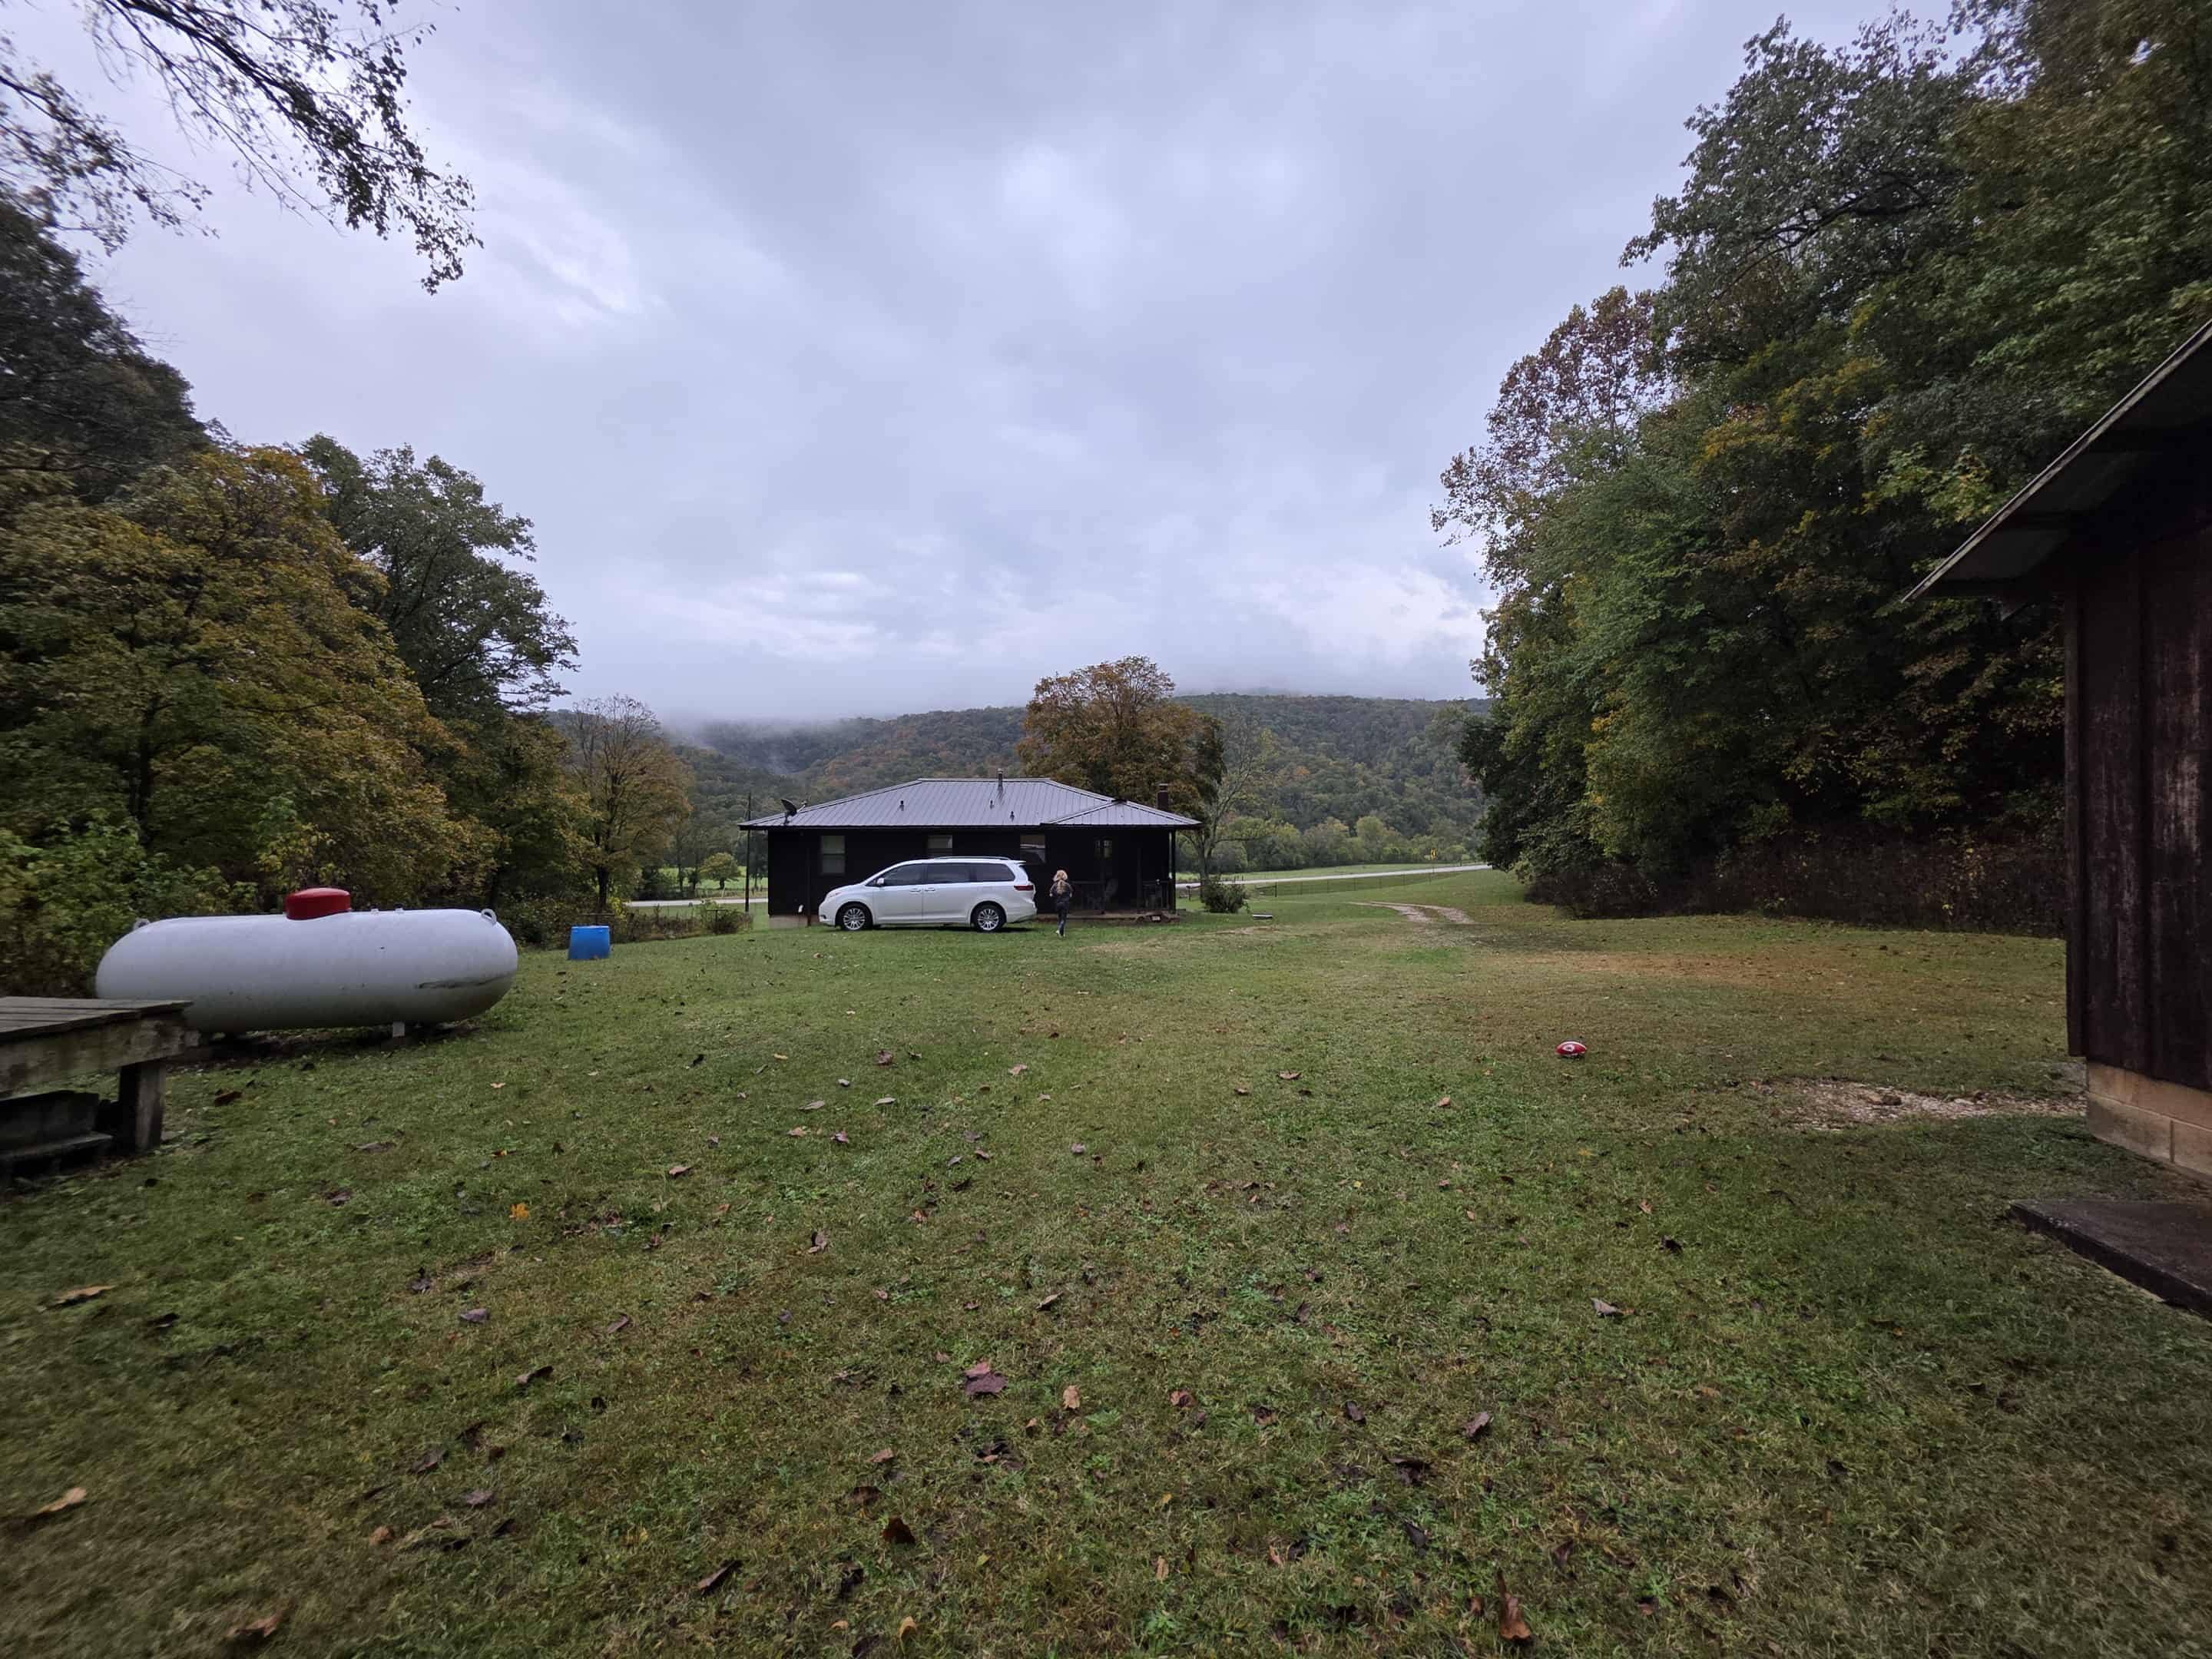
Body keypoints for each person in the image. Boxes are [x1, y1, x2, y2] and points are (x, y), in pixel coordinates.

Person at [1050, 868, 1073, 935]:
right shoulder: (1067, 885)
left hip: (1057, 904)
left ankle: (1061, 932)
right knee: (1063, 919)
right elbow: (1071, 894)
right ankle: (1060, 928)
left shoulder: (1054, 886)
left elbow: (1051, 894)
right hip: (1065, 904)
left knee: (1060, 917)